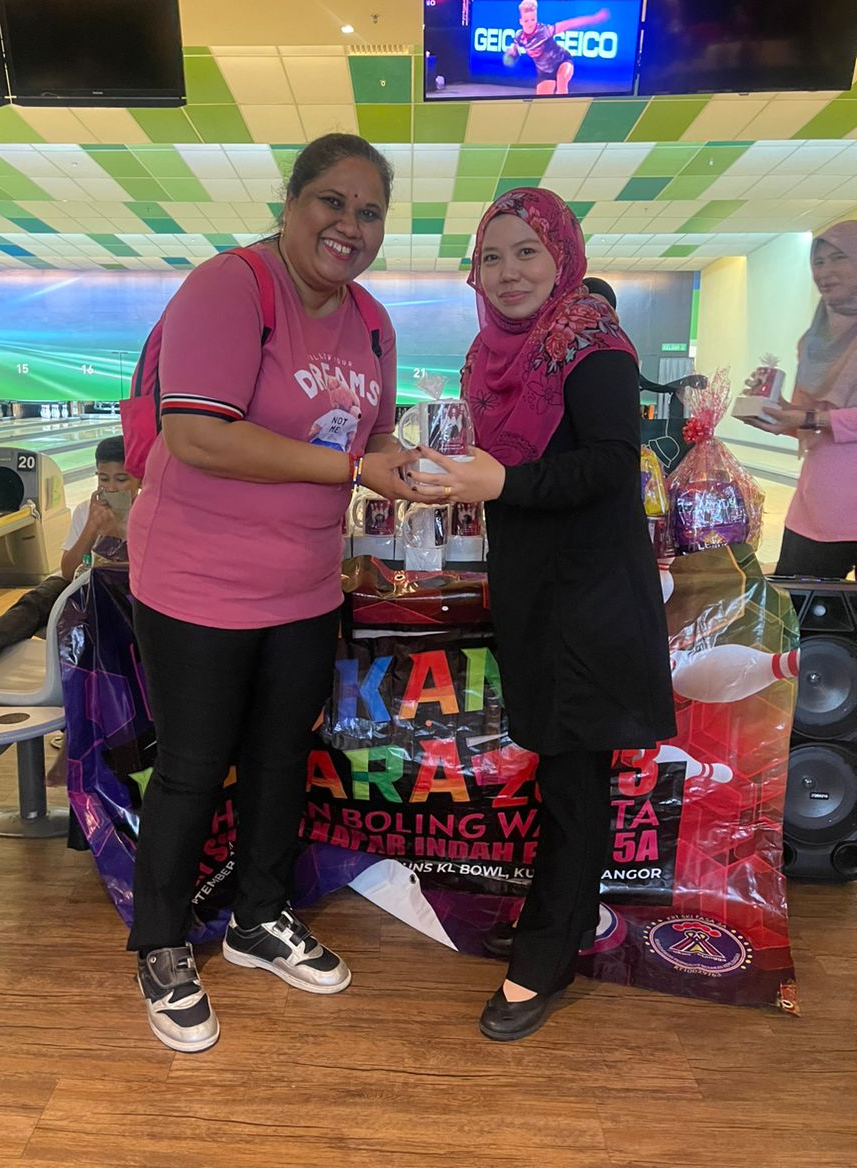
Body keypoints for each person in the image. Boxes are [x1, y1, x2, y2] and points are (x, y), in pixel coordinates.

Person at [125, 133, 427, 1054]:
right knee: (191, 766)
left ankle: (258, 917)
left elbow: (372, 441)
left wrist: (410, 464)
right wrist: (353, 465)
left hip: (302, 583)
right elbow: (198, 435)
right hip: (198, 580)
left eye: (370, 212)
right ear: (291, 204)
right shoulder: (232, 286)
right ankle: (161, 944)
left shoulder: (372, 322)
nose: (350, 225)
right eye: (333, 202)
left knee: (279, 758)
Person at [412, 188, 677, 1043]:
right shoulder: (488, 355)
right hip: (533, 587)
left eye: (527, 251)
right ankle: (559, 919)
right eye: (491, 256)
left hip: (591, 596)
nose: (509, 271)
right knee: (559, 767)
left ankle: (547, 955)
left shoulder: (592, 344)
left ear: (562, 255)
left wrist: (502, 481)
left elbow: (610, 465)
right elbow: (499, 474)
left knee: (573, 779)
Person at [0, 436, 135, 674]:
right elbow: (69, 572)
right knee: (48, 591)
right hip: (87, 594)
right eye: (103, 479)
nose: (111, 488)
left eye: (121, 479)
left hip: (129, 600)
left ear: (140, 477)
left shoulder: (150, 513)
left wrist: (119, 534)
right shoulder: (85, 511)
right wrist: (91, 528)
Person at [742, 222, 857, 580]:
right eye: (818, 261)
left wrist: (808, 418)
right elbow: (806, 424)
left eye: (839, 258)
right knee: (801, 609)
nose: (825, 271)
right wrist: (772, 412)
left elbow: (814, 419)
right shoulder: (815, 340)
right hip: (817, 508)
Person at [504, 0, 609, 95]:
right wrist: (511, 53)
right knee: (541, 103)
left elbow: (570, 23)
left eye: (533, 19)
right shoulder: (519, 37)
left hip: (562, 61)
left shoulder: (545, 31)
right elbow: (513, 49)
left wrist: (594, 18)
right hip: (545, 71)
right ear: (521, 21)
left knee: (561, 78)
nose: (530, 24)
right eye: (526, 21)